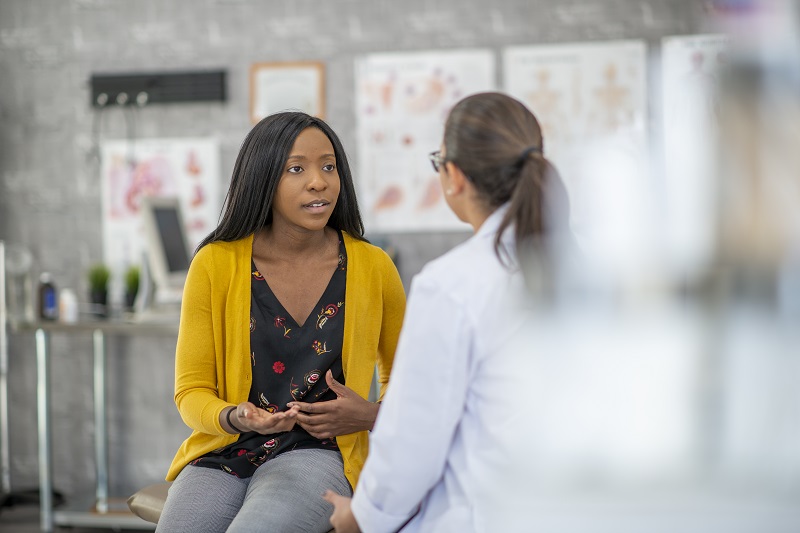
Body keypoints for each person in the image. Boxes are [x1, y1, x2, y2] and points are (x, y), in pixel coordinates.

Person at [324, 92, 571, 532]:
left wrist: (361, 517)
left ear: (453, 176)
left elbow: (414, 441)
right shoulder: (591, 264)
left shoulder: (453, 284)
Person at [157, 111, 406, 533]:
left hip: (322, 451)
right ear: (263, 180)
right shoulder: (215, 263)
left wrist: (369, 415)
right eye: (297, 168)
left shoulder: (373, 266)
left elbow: (414, 384)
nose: (318, 181)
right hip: (226, 448)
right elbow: (191, 391)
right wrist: (236, 416)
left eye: (329, 166)